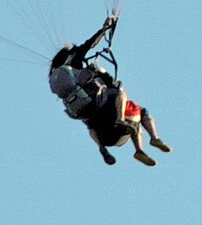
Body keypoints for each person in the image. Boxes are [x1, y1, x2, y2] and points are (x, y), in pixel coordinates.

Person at [48, 17, 172, 167]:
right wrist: (105, 28)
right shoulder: (74, 60)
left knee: (90, 123)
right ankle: (148, 138)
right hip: (94, 100)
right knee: (121, 94)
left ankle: (101, 147)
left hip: (80, 109)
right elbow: (90, 44)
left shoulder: (54, 74)